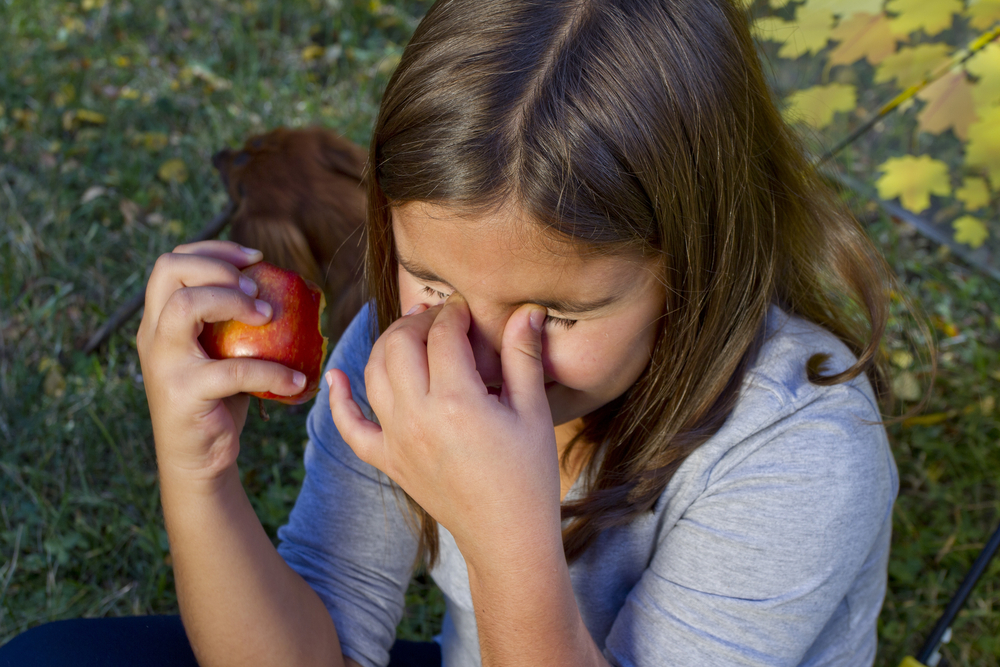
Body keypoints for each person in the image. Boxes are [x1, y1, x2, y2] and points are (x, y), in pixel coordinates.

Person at [1, 0, 917, 665]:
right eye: (431, 276)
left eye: (556, 314)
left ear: (699, 263)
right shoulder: (408, 340)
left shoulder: (798, 450)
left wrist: (503, 532)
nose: (474, 350)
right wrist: (196, 470)